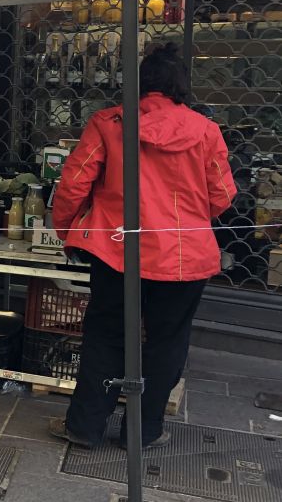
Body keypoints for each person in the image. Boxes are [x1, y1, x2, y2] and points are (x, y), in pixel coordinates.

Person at [47, 43, 234, 449]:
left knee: (106, 336)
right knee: (168, 341)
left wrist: (66, 230)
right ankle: (144, 432)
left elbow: (73, 183)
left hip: (116, 252)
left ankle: (85, 427)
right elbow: (221, 196)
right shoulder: (207, 131)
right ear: (182, 87)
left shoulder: (108, 122)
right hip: (185, 258)